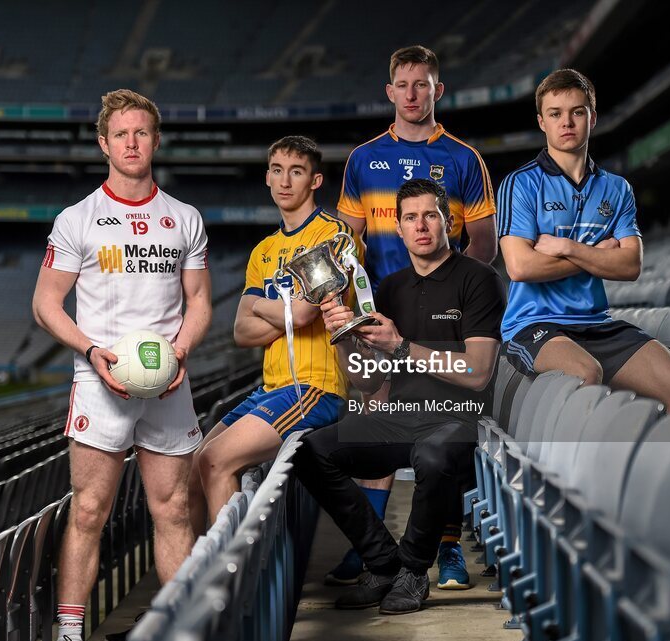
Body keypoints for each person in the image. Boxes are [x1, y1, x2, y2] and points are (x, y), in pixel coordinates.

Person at [32, 89, 212, 641]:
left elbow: (201, 301)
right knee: (89, 512)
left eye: (142, 133)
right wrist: (91, 351)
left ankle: (176, 624)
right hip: (99, 381)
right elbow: (45, 302)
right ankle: (69, 631)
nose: (132, 143)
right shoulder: (77, 219)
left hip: (168, 383)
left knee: (175, 509)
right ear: (103, 144)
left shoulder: (183, 218)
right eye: (121, 134)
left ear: (156, 140)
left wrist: (179, 353)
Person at [294, 178, 506, 615]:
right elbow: (371, 383)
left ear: (448, 220)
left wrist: (402, 346)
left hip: (457, 417)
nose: (421, 226)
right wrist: (346, 335)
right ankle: (383, 561)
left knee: (431, 456)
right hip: (400, 414)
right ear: (399, 228)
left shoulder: (479, 279)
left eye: (430, 215)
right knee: (311, 450)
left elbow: (478, 372)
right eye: (410, 217)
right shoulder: (387, 289)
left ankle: (412, 572)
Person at [330, 43, 497, 589]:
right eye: (402, 85)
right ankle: (371, 547)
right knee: (377, 421)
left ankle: (446, 549)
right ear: (389, 91)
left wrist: (450, 290)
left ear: (436, 91)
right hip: (382, 315)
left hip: (444, 313)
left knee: (440, 432)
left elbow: (484, 243)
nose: (411, 94)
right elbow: (346, 246)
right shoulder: (362, 159)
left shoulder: (463, 158)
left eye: (421, 84)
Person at [497, 69, 670, 411]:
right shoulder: (521, 184)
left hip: (596, 324)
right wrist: (596, 256)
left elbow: (630, 265)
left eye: (577, 112)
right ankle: (573, 467)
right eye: (555, 114)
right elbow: (520, 266)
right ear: (541, 122)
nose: (567, 122)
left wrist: (569, 248)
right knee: (585, 375)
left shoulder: (617, 188)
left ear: (592, 118)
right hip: (534, 326)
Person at [190, 136, 355, 530]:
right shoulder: (263, 250)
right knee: (194, 465)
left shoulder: (333, 236)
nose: (285, 181)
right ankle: (196, 576)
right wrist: (285, 310)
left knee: (216, 461)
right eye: (277, 171)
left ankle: (228, 585)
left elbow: (301, 314)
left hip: (314, 387)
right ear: (267, 177)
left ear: (315, 181)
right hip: (271, 388)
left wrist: (261, 306)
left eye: (296, 172)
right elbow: (241, 331)